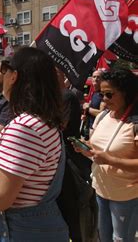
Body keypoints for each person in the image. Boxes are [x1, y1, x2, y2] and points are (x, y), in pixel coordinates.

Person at [0, 47, 68, 241]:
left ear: (14, 77)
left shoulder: (25, 128)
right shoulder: (43, 120)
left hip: (14, 231)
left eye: (4, 71)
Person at [73, 68, 138, 242]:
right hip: (100, 189)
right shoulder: (103, 116)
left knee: (121, 239)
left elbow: (108, 156)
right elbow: (97, 147)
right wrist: (85, 147)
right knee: (103, 236)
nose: (104, 100)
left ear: (127, 93)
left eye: (109, 94)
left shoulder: (135, 122)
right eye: (101, 94)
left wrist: (110, 160)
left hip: (126, 196)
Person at [56, 68, 92, 242]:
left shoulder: (66, 96)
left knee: (74, 211)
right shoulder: (54, 97)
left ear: (61, 75)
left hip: (69, 160)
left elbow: (59, 125)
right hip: (61, 158)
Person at [82, 69, 106, 140]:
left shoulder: (104, 94)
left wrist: (88, 108)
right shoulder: (95, 93)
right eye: (94, 77)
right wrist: (86, 116)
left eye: (98, 77)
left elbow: (101, 114)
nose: (95, 79)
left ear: (103, 79)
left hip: (98, 130)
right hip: (90, 128)